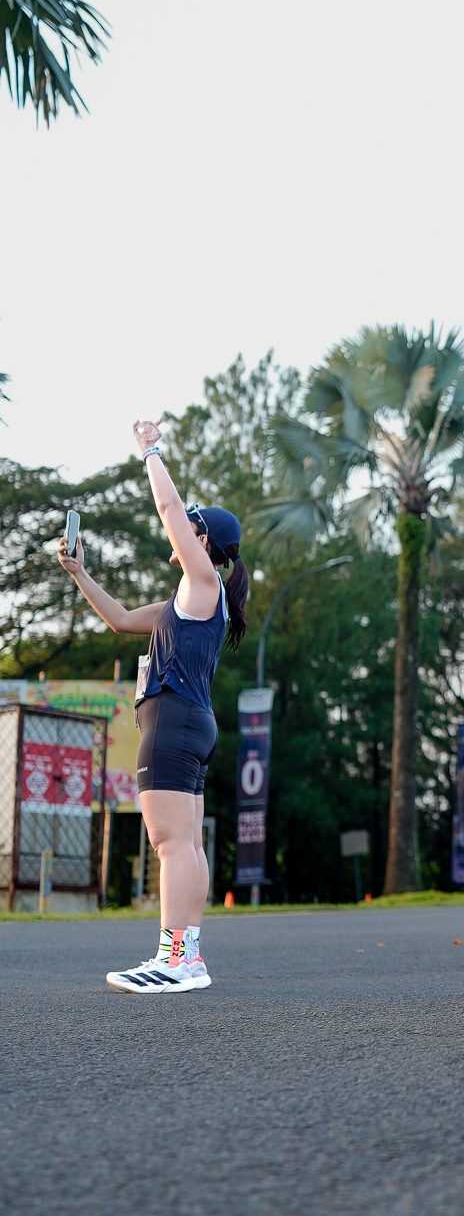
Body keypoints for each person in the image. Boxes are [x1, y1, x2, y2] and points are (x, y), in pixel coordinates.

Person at [57, 420, 249, 992]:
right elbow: (119, 620)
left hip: (174, 719)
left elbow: (168, 508)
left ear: (202, 541)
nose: (180, 530)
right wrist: (80, 572)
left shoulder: (203, 583)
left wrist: (151, 451)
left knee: (170, 845)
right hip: (190, 721)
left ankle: (171, 959)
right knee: (186, 844)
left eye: (191, 527)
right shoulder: (187, 600)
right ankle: (188, 957)